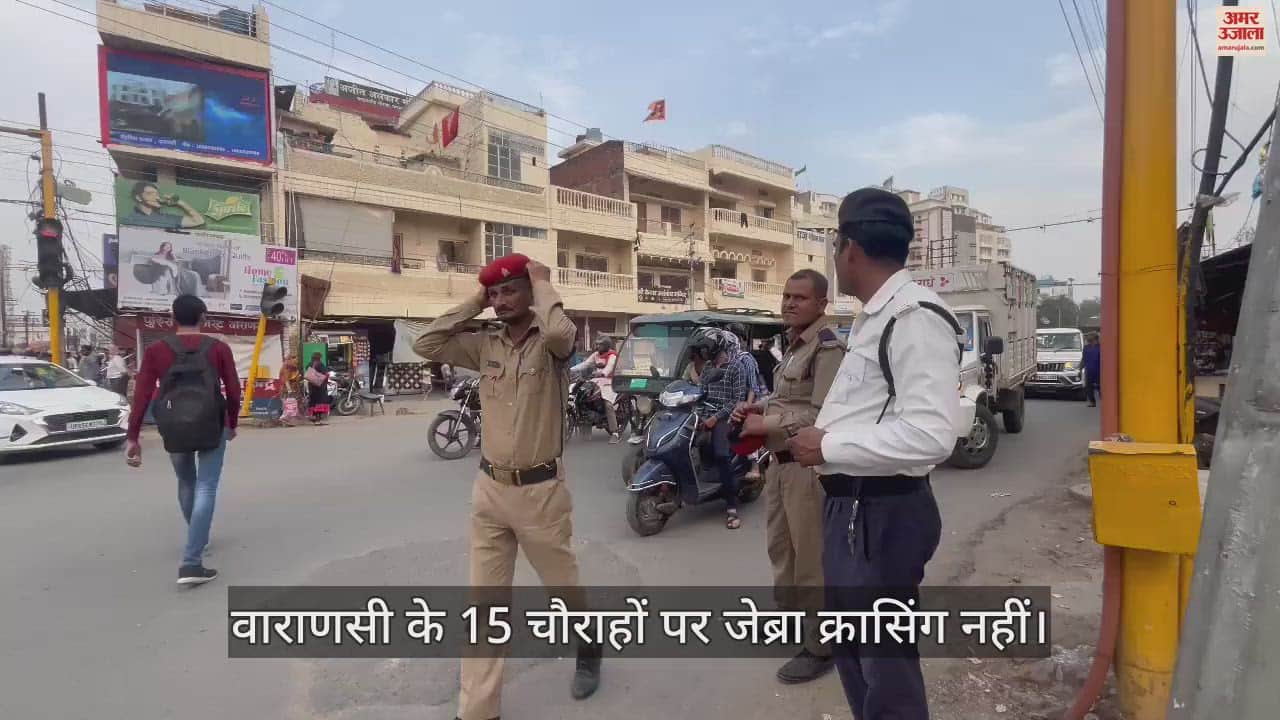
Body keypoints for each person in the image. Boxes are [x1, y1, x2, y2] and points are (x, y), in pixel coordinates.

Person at [786, 188, 962, 720]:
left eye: (835, 244)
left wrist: (828, 444)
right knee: (856, 657)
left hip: (882, 513)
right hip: (854, 508)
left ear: (851, 249)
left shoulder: (914, 316)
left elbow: (932, 435)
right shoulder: (876, 317)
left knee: (886, 670)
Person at [413, 253, 601, 720]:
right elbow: (425, 342)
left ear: (530, 290)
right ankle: (479, 710)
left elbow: (560, 334)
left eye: (509, 290)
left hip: (541, 494)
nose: (500, 300)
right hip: (489, 490)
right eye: (494, 293)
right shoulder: (485, 345)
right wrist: (475, 301)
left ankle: (589, 643)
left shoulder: (552, 345)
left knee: (563, 589)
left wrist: (542, 283)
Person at [734, 268, 845, 684]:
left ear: (821, 304)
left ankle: (821, 646)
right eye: (786, 296)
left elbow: (824, 414)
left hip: (806, 469)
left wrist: (766, 423)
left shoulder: (828, 348)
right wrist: (757, 408)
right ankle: (791, 619)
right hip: (778, 464)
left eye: (800, 297)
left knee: (811, 557)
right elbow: (785, 398)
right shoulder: (794, 345)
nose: (790, 303)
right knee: (781, 549)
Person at [126, 295, 241, 586]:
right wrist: (232, 423)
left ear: (172, 318)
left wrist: (133, 437)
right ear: (203, 317)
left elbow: (141, 395)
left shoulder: (156, 350)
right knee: (206, 486)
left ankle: (196, 536)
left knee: (186, 481)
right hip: (212, 424)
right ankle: (191, 561)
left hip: (173, 425)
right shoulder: (219, 348)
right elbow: (233, 390)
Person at [690, 327, 748, 530]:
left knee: (722, 455)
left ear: (716, 348)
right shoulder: (707, 368)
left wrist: (715, 418)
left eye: (705, 349)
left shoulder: (736, 367)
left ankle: (731, 507)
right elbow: (701, 394)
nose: (703, 353)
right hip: (705, 414)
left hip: (727, 417)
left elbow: (737, 400)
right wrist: (696, 414)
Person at [570, 336, 621, 443]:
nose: (597, 346)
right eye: (597, 344)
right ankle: (586, 424)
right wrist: (570, 370)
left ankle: (615, 433)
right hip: (596, 380)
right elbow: (585, 364)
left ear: (606, 345)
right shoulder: (596, 355)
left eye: (600, 344)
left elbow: (610, 366)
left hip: (609, 382)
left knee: (608, 404)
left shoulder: (612, 355)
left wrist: (603, 373)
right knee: (583, 396)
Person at [123, 182, 206, 230]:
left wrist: (179, 202)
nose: (156, 197)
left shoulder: (166, 218)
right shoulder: (131, 218)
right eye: (150, 194)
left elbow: (199, 221)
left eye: (156, 194)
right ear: (138, 197)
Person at [305, 353, 331, 424]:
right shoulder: (320, 364)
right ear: (319, 357)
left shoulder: (309, 364)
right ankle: (318, 420)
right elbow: (325, 374)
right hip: (319, 387)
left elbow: (307, 371)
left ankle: (314, 417)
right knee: (320, 403)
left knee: (313, 402)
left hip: (311, 386)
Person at [1083, 332, 1101, 407]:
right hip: (1089, 369)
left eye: (1089, 336)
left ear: (1094, 338)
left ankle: (1104, 401)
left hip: (1099, 370)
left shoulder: (1100, 347)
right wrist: (1080, 368)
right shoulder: (1086, 348)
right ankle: (1092, 402)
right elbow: (1083, 359)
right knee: (1089, 386)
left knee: (1100, 386)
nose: (1087, 337)